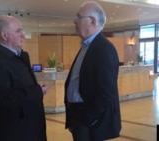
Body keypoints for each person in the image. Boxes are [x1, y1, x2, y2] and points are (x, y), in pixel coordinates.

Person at [0, 15, 51, 141]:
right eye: (18, 31)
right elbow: (4, 99)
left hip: (29, 128)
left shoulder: (19, 56)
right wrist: (37, 91)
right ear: (4, 35)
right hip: (15, 132)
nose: (23, 35)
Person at [64, 1, 121, 141]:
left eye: (79, 17)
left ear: (92, 21)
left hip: (90, 121)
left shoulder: (104, 49)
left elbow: (106, 92)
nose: (74, 21)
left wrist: (88, 120)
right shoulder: (87, 46)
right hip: (78, 116)